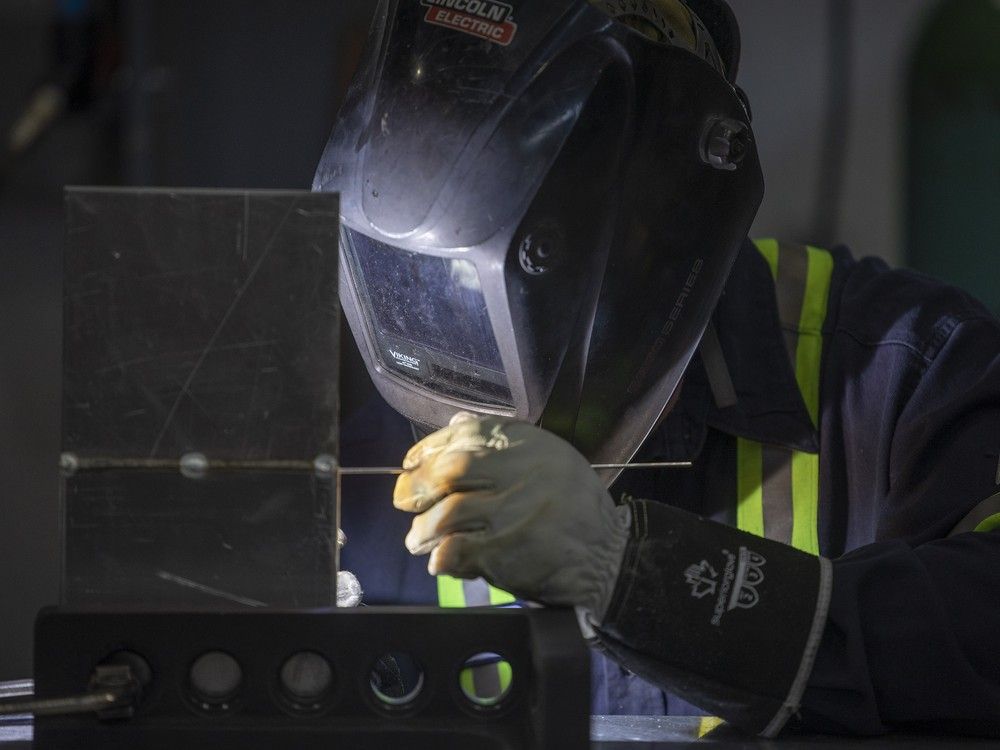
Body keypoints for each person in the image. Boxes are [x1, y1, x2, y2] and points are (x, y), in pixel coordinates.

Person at [315, 0, 1000, 737]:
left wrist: (638, 579)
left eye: (534, 273)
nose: (469, 345)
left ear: (660, 224)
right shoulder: (368, 481)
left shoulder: (910, 376)